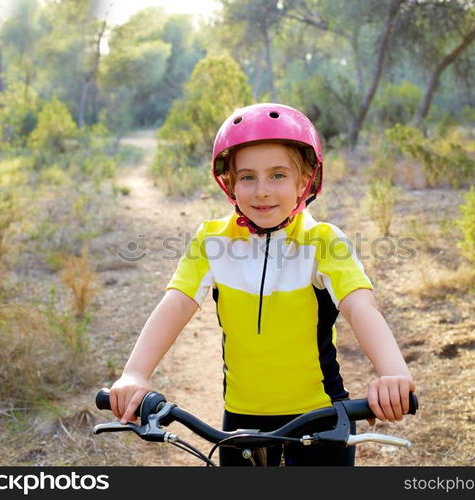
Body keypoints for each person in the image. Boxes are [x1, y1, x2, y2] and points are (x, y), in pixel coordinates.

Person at [109, 102, 415, 466]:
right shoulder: (211, 240)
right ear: (230, 184)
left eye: (278, 175)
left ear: (304, 181)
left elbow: (361, 307)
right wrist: (135, 373)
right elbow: (176, 303)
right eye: (248, 177)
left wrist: (392, 371)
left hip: (320, 417)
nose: (262, 191)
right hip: (240, 422)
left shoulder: (323, 242)